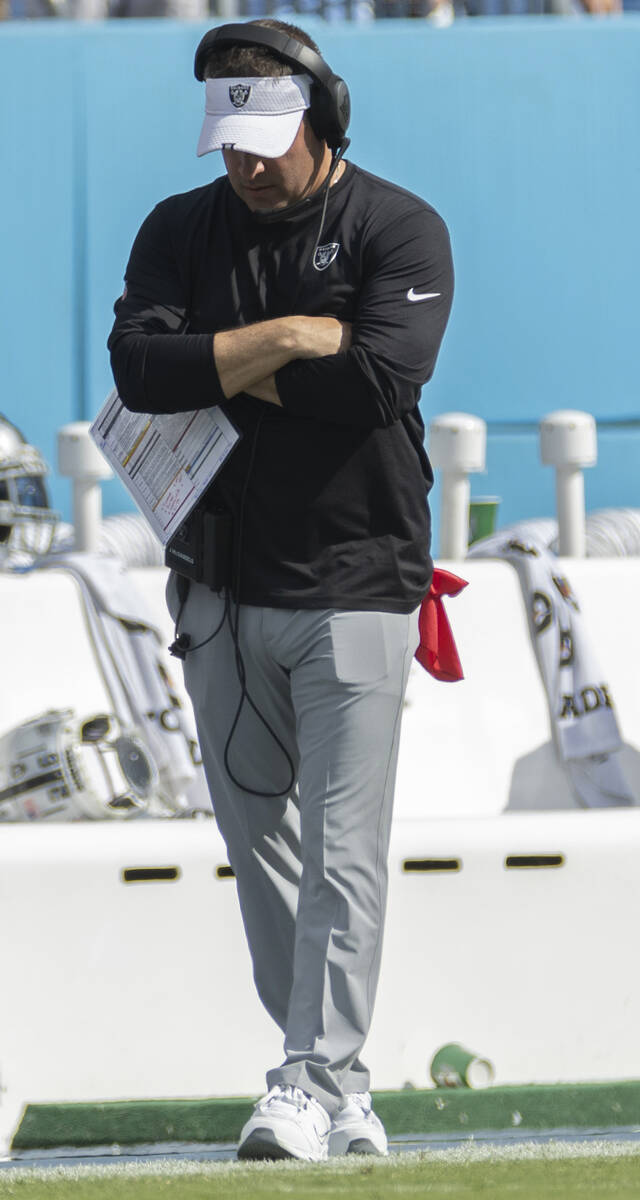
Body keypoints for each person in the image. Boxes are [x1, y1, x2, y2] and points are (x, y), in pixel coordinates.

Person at [108, 18, 453, 1162]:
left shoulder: (398, 226)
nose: (248, 166)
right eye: (230, 144)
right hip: (217, 585)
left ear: (323, 119)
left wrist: (219, 359)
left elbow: (373, 383)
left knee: (344, 849)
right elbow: (135, 373)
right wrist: (289, 335)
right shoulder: (177, 227)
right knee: (261, 850)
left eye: (266, 142)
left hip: (358, 582)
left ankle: (304, 1076)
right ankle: (339, 1083)